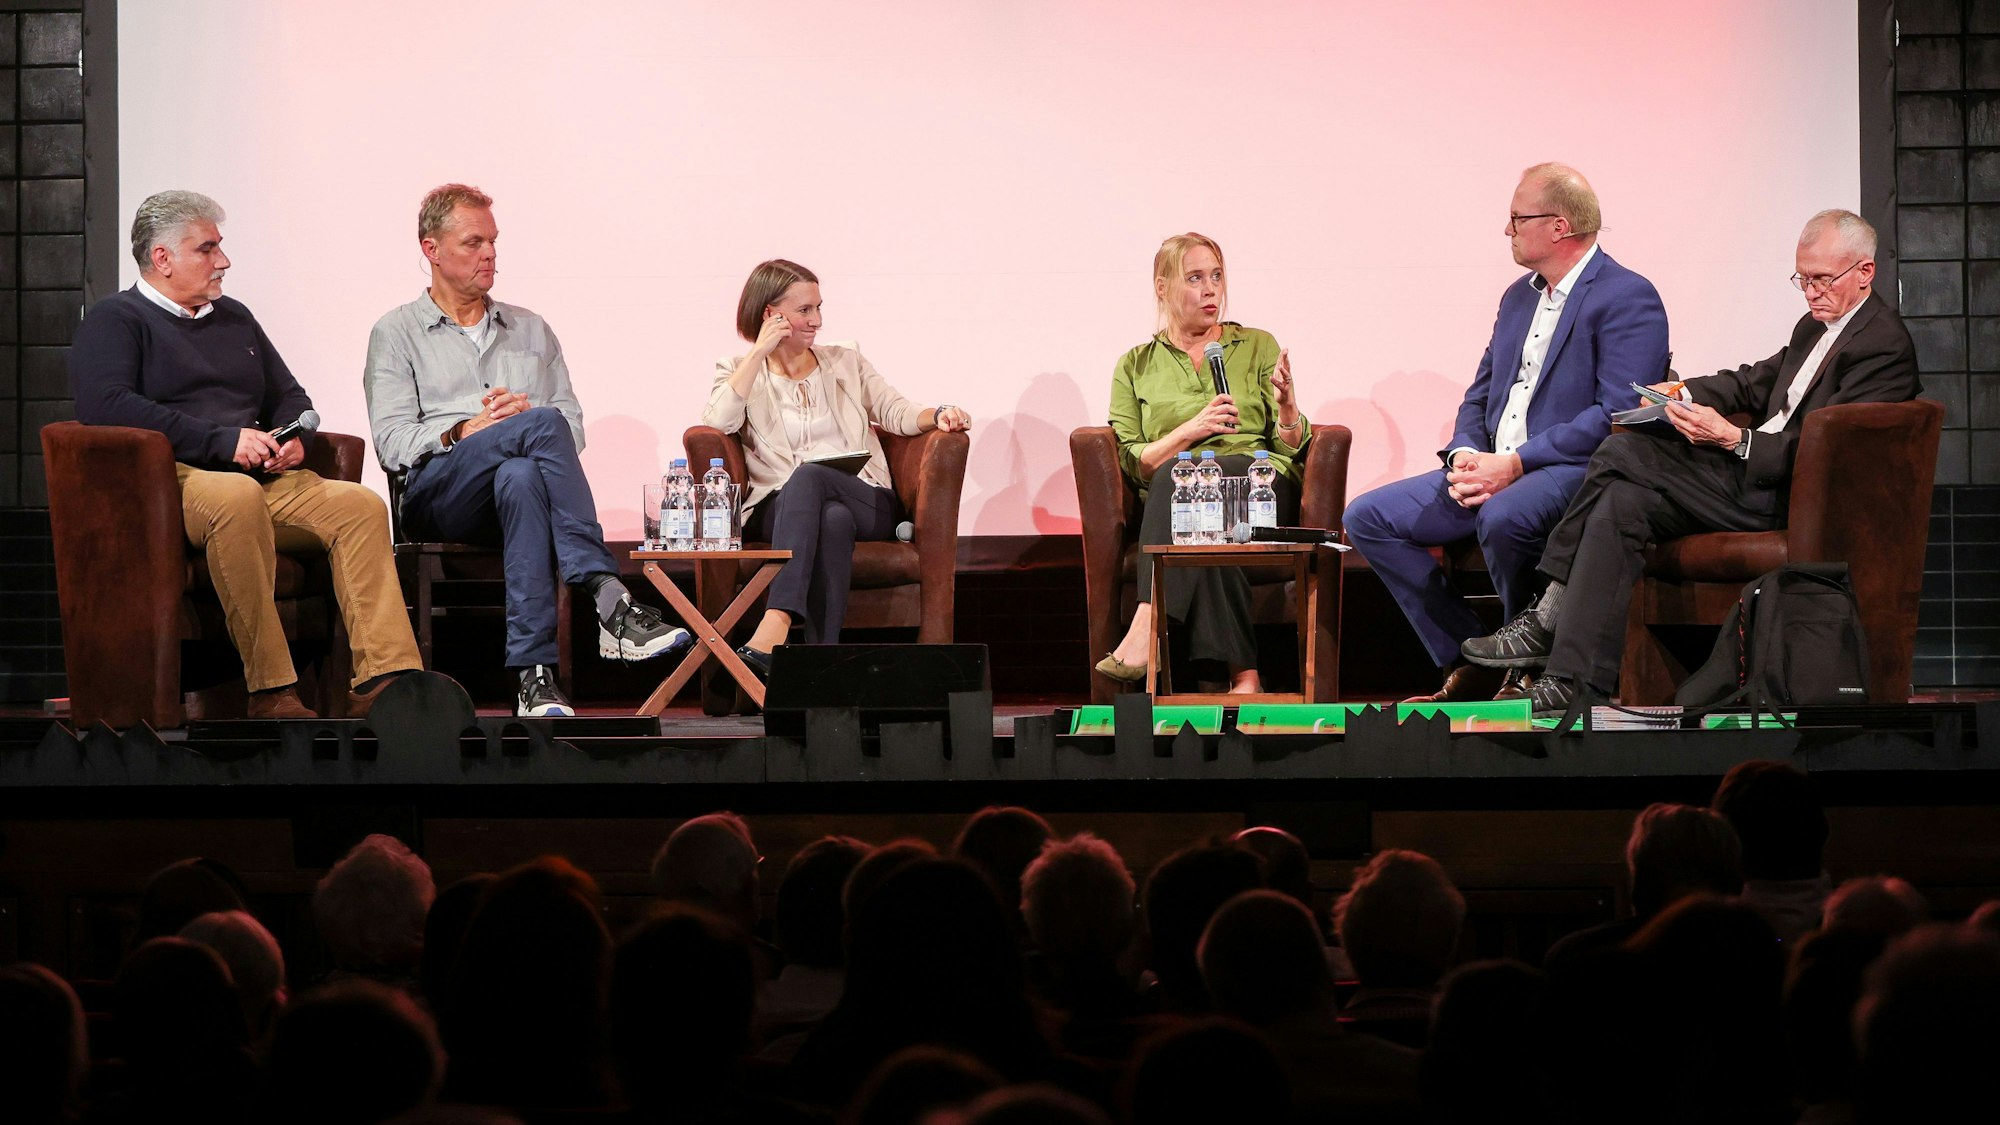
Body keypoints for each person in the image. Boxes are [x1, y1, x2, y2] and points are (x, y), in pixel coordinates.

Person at [1462, 208, 1922, 714]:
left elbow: (1836, 457)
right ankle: (1573, 684)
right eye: (1802, 279)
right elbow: (1753, 380)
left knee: (1619, 449)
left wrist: (1736, 439)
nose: (1811, 291)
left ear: (1864, 272)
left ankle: (1547, 614)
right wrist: (1680, 391)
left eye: (1821, 279)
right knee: (1622, 501)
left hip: (1786, 494)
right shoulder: (1815, 327)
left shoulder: (1883, 346)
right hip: (1744, 481)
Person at [69, 190, 424, 720]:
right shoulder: (116, 319)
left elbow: (290, 395)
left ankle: (384, 682)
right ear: (162, 258)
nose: (224, 261)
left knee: (359, 505)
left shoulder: (234, 318)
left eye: (221, 247)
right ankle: (271, 690)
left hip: (260, 479)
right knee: (234, 496)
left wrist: (292, 436)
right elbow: (107, 404)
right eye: (207, 248)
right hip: (175, 482)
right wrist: (222, 440)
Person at [1343, 164, 1670, 704]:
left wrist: (1516, 464)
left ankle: (1532, 661)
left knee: (1504, 516)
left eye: (1517, 218)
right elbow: (1482, 391)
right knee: (1368, 518)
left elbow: (1616, 412)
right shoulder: (1518, 297)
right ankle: (1472, 660)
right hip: (1495, 464)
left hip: (1571, 470)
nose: (1507, 229)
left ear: (1559, 226)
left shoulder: (1628, 296)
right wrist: (1468, 453)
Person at [364, 183, 691, 718]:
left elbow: (572, 431)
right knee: (538, 426)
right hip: (438, 495)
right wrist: (464, 431)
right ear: (432, 250)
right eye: (473, 242)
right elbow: (392, 444)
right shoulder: (396, 332)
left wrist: (518, 428)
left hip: (513, 494)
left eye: (493, 241)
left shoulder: (532, 329)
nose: (490, 253)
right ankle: (607, 592)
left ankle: (533, 681)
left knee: (520, 471)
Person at [702, 258, 973, 679]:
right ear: (771, 315)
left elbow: (894, 410)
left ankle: (776, 623)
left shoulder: (845, 361)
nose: (817, 321)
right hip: (780, 507)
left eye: (818, 308)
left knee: (815, 480)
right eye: (805, 310)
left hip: (865, 497)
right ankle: (821, 669)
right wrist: (757, 352)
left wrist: (937, 414)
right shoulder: (738, 371)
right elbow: (718, 424)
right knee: (831, 518)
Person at [1095, 233, 1312, 694]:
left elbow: (1291, 446)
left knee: (1192, 486)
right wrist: (1191, 430)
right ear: (1162, 287)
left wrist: (1288, 406)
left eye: (1216, 276)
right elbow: (1135, 462)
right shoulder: (1135, 365)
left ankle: (1147, 622)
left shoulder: (1255, 345)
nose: (1210, 289)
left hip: (1260, 487)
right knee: (1201, 510)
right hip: (1185, 501)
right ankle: (1243, 676)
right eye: (1195, 278)